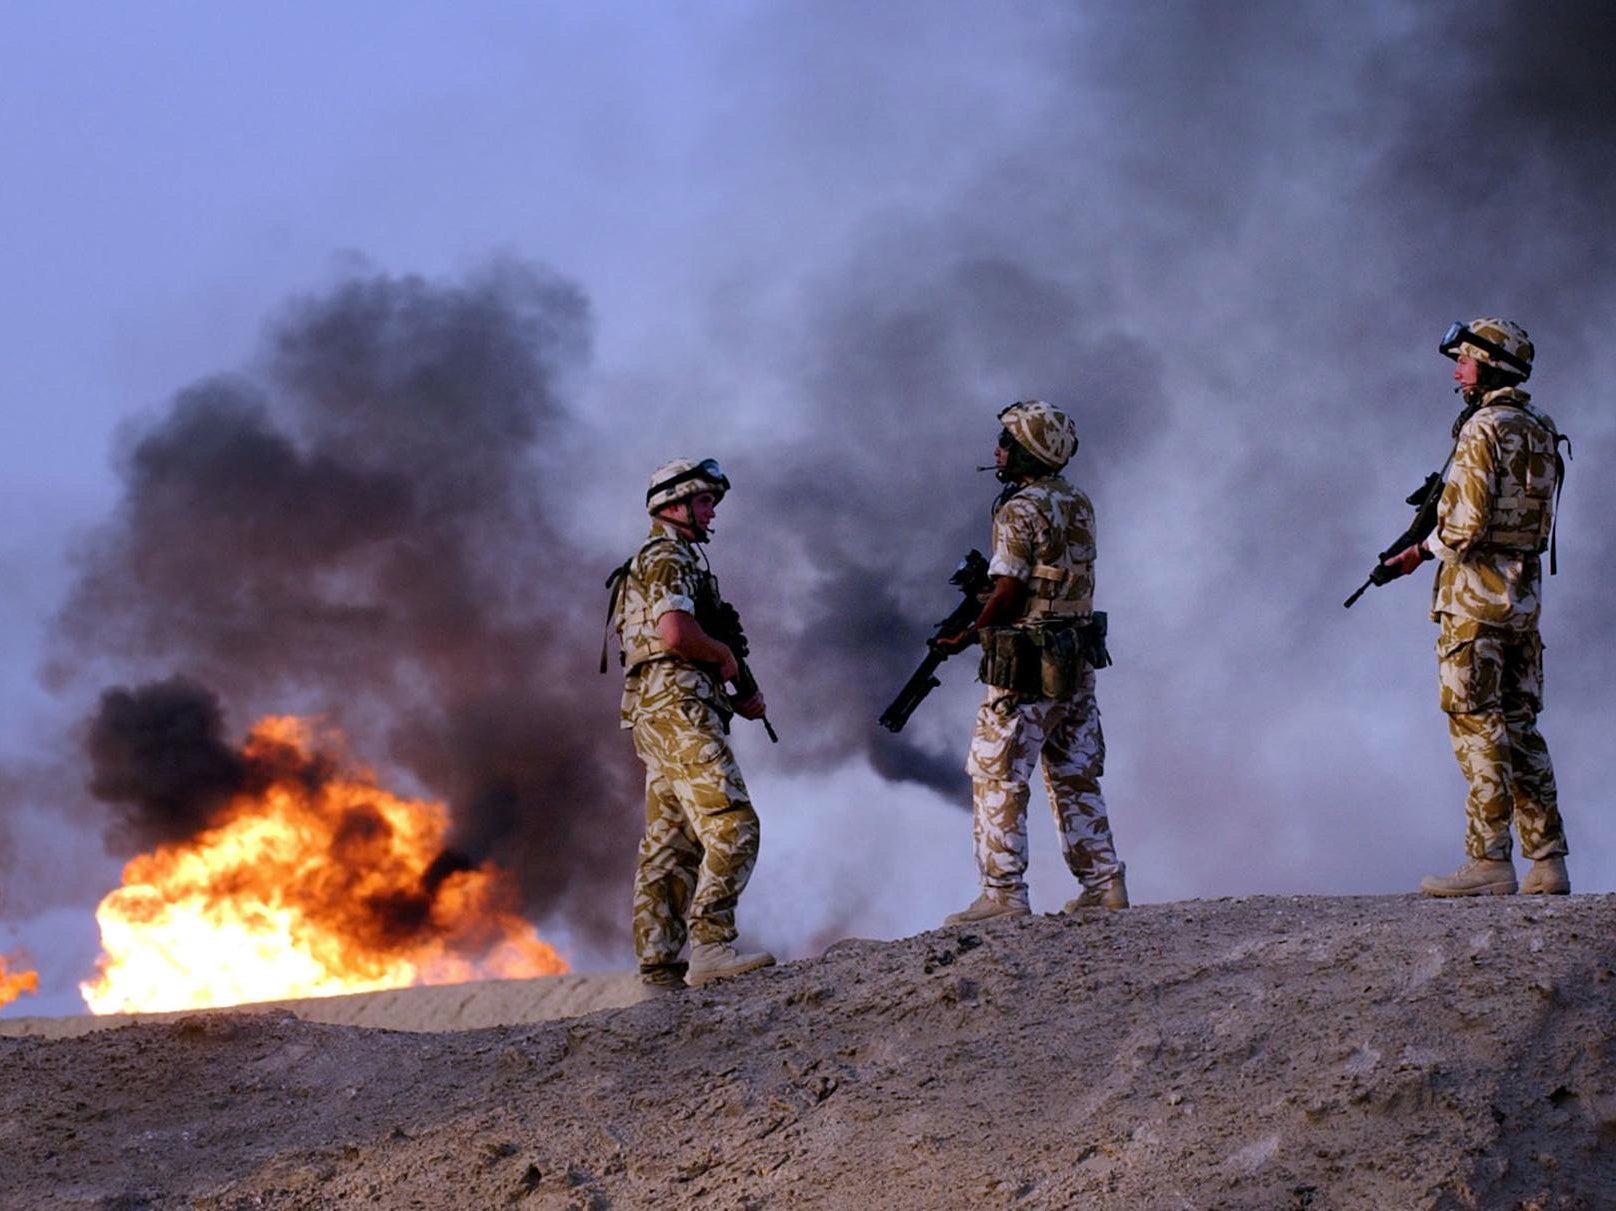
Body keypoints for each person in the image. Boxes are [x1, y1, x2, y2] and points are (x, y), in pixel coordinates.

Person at [1381, 318, 1570, 897]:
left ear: (1489, 367)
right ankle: (1548, 859)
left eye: (1464, 360)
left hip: (1476, 601)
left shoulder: (1483, 428)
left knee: (1476, 722)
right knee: (1520, 725)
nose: (1458, 371)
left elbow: (1463, 526)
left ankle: (1488, 859)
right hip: (1523, 601)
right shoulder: (1539, 426)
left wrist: (1419, 552)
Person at [934, 401, 1127, 923]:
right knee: (1074, 772)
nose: (997, 450)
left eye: (1006, 442)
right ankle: (1103, 883)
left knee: (997, 773)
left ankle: (1003, 894)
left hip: (1027, 662)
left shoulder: (1019, 508)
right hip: (1077, 656)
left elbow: (1010, 588)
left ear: (1028, 451)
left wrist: (971, 633)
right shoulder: (1078, 501)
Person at [606, 458, 776, 991]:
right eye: (704, 502)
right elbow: (677, 635)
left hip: (657, 710)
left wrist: (737, 684)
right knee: (733, 824)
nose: (711, 513)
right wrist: (723, 656)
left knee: (673, 840)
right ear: (674, 506)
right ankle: (710, 944)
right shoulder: (668, 556)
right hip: (678, 705)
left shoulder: (665, 559)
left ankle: (658, 970)